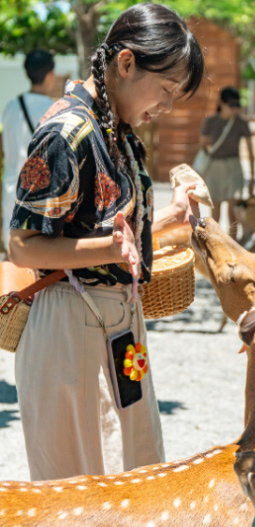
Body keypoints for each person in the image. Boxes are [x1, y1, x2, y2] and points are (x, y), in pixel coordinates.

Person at [7, 3, 204, 481]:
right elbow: (21, 246)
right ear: (126, 63)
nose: (168, 106)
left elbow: (105, 232)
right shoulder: (66, 132)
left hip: (117, 328)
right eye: (166, 89)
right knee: (83, 491)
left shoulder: (116, 129)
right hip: (69, 330)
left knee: (135, 476)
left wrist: (173, 218)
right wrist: (111, 251)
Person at [1, 49, 56, 252]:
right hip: (39, 194)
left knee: (12, 256)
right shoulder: (54, 110)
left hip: (10, 190)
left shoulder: (11, 107)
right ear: (50, 74)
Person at [198, 86, 255, 239]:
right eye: (231, 105)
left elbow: (250, 152)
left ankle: (233, 248)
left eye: (237, 105)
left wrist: (252, 178)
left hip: (234, 166)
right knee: (215, 213)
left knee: (233, 212)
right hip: (215, 168)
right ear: (221, 103)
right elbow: (203, 144)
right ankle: (214, 246)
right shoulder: (210, 122)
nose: (234, 109)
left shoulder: (241, 123)